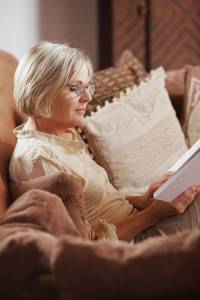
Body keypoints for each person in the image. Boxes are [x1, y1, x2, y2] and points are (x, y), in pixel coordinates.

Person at [9, 41, 200, 242]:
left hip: (139, 220)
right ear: (41, 90)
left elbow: (98, 203)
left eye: (87, 87)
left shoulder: (62, 135)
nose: (88, 97)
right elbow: (86, 246)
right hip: (135, 242)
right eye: (75, 88)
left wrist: (143, 200)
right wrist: (154, 214)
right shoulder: (39, 159)